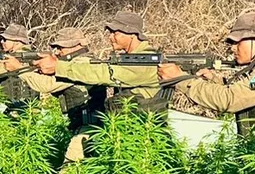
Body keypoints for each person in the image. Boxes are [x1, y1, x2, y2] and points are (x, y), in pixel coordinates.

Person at [156, 12, 255, 136]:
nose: (233, 48)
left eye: (238, 42)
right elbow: (245, 93)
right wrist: (214, 81)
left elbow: (230, 100)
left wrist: (181, 80)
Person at [34, 11, 165, 113]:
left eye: (115, 33)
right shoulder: (132, 59)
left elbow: (103, 73)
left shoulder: (145, 63)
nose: (110, 37)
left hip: (143, 137)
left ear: (132, 34)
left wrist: (59, 67)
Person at [10, 27, 100, 162]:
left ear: (75, 46)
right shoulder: (73, 63)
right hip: (82, 126)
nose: (57, 52)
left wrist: (19, 70)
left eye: (61, 47)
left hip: (88, 128)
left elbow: (47, 85)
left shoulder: (81, 63)